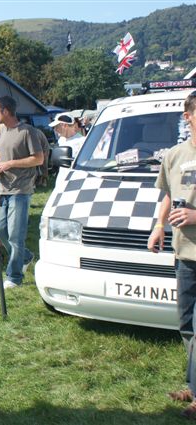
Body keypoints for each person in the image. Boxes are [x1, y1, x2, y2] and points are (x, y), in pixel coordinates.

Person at [147, 90, 196, 420]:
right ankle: (194, 383)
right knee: (186, 324)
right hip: (185, 254)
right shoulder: (175, 155)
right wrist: (159, 226)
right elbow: (167, 194)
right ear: (188, 116)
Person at [0, 96, 44, 289]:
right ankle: (26, 256)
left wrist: (10, 164)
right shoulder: (1, 132)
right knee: (0, 231)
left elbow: (38, 159)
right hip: (3, 188)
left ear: (5, 111)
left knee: (15, 235)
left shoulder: (27, 131)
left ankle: (14, 277)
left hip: (21, 190)